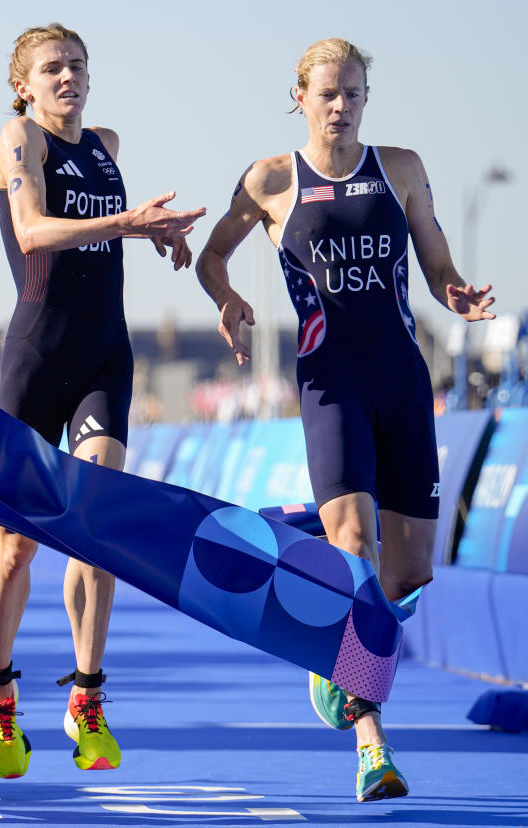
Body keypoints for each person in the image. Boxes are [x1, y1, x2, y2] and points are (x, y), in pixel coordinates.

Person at [195, 38, 495, 802]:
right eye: (328, 94)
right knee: (357, 548)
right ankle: (372, 746)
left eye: (354, 93)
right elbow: (211, 257)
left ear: (367, 97)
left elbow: (435, 262)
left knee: (408, 572)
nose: (341, 106)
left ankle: (323, 608)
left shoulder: (400, 168)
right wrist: (227, 299)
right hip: (328, 385)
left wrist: (456, 290)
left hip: (400, 381)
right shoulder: (270, 180)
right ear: (300, 95)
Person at [0, 23, 205, 779]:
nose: (67, 76)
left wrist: (153, 237)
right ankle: (0, 694)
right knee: (18, 544)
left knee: (96, 525)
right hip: (37, 360)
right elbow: (33, 230)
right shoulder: (20, 139)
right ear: (25, 84)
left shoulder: (103, 141)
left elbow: (106, 234)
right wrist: (129, 222)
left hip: (106, 357)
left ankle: (86, 694)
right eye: (52, 68)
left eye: (77, 64)